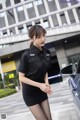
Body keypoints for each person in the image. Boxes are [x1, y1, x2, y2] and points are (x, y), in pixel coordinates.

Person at [18, 25, 53, 120]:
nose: (43, 39)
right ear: (31, 38)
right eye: (39, 37)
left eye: (44, 35)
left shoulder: (47, 52)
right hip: (30, 93)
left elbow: (45, 70)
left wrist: (46, 83)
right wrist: (40, 85)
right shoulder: (26, 55)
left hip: (41, 91)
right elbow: (21, 78)